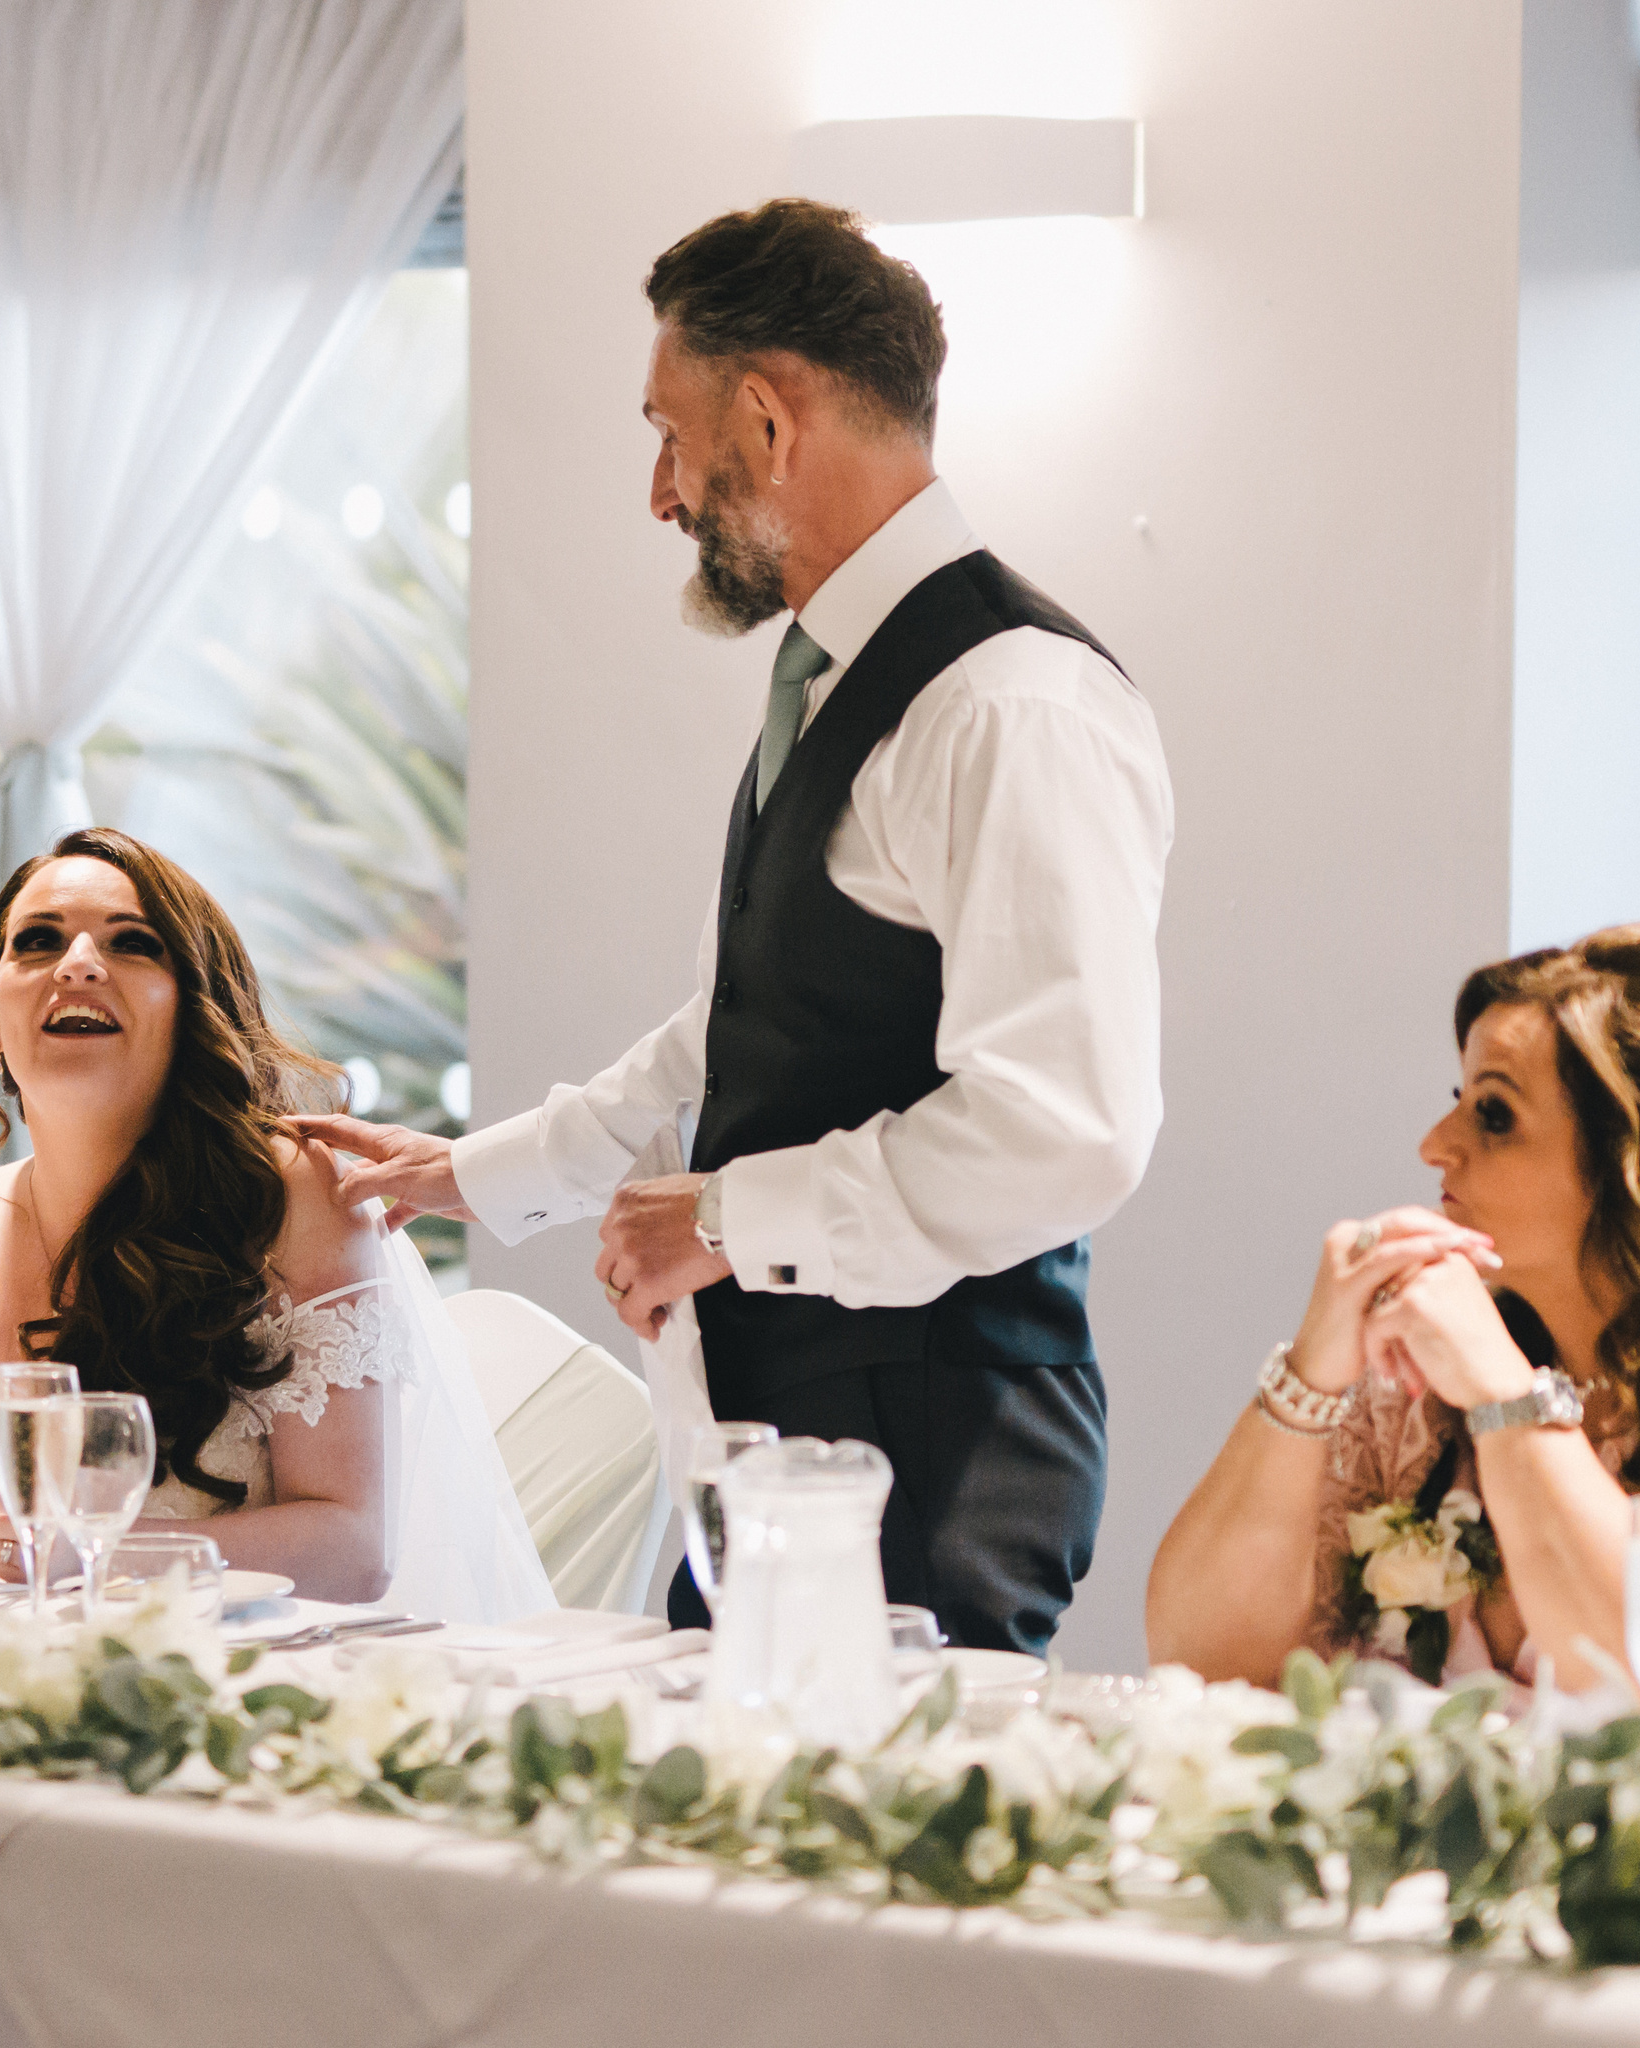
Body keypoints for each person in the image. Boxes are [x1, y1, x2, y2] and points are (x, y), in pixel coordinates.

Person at [298, 200, 1173, 1655]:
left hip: (925, 1469)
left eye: (669, 433)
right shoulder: (836, 678)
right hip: (768, 1455)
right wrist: (470, 1174)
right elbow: (756, 1030)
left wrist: (722, 1218)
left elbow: (1067, 1127)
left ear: (766, 422)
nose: (660, 492)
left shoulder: (1011, 705)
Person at [1147, 921, 1640, 1758]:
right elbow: (1201, 1659)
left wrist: (1504, 1395)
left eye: (1494, 1115)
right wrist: (1314, 1369)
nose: (1435, 1145)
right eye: (1458, 1100)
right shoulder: (1430, 1373)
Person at [0, 827, 551, 1624]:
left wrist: (102, 1558)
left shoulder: (291, 1198)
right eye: (37, 942)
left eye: (132, 943)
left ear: (192, 1006)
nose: (77, 965)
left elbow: (353, 1548)